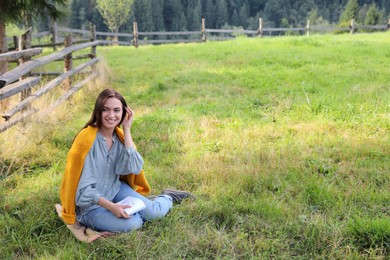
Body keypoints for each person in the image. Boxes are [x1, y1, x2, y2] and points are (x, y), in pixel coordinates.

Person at [58, 88, 194, 238]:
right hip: (90, 206)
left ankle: (168, 196)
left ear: (123, 113)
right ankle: (127, 211)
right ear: (98, 111)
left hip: (115, 189)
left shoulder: (119, 137)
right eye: (106, 110)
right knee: (133, 223)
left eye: (117, 110)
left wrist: (127, 129)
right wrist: (112, 207)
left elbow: (134, 167)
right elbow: (82, 193)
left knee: (155, 213)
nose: (111, 115)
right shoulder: (87, 142)